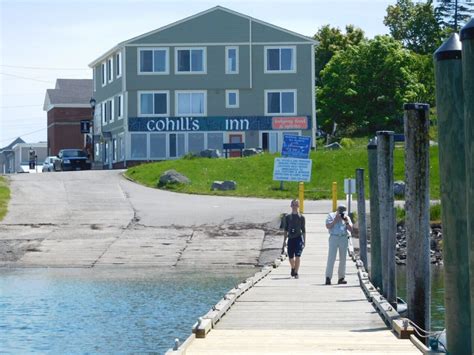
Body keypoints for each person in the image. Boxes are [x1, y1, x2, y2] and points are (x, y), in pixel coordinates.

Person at [324, 204, 353, 285]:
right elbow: (328, 226)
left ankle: (341, 277)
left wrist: (346, 222)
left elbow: (351, 229)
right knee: (331, 258)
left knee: (343, 259)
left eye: (343, 212)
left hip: (343, 237)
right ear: (337, 210)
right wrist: (335, 220)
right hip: (334, 237)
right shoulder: (331, 215)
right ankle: (328, 277)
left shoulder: (346, 217)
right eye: (340, 212)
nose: (341, 214)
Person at [281, 199, 306, 279]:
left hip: (298, 238)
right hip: (290, 239)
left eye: (296, 205)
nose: (295, 206)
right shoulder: (288, 217)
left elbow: (303, 230)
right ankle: (293, 268)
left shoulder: (301, 217)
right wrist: (284, 240)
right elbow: (285, 229)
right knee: (291, 257)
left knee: (297, 256)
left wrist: (304, 241)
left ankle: (296, 272)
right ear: (291, 206)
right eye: (293, 205)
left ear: (298, 206)